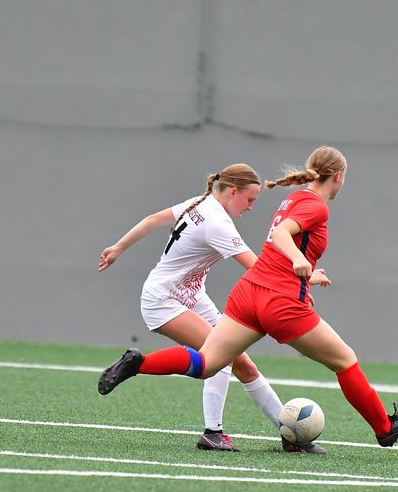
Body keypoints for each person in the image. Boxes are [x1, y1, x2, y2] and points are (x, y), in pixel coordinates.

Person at [97, 146, 398, 448]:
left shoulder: (292, 200)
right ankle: (384, 428)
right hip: (278, 301)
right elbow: (282, 236)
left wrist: (301, 269)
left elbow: (274, 245)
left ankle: (139, 364)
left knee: (209, 363)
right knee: (345, 360)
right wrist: (298, 262)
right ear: (337, 176)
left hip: (248, 294)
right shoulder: (316, 205)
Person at [99, 163, 322, 453]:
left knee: (243, 364)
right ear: (232, 191)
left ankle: (290, 436)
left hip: (191, 296)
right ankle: (211, 430)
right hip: (163, 300)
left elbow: (152, 219)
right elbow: (258, 269)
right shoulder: (217, 222)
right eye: (250, 199)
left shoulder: (199, 202)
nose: (252, 207)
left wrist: (118, 248)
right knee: (222, 355)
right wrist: (302, 280)